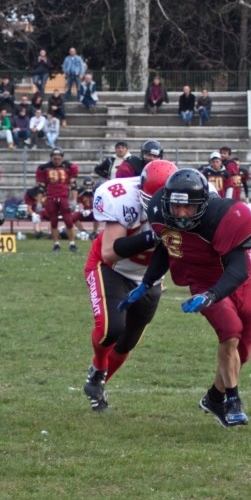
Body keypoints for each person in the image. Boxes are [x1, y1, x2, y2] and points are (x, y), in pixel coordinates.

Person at [121, 168, 251, 427]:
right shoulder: (159, 211)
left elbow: (239, 268)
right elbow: (168, 247)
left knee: (244, 348)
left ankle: (214, 398)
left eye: (188, 207)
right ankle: (233, 401)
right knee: (231, 333)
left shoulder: (222, 216)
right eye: (176, 206)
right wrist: (147, 283)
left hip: (235, 282)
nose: (181, 213)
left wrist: (213, 295)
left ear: (203, 204)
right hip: (201, 281)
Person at [81, 160, 178, 411]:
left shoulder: (188, 202)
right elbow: (109, 252)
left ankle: (98, 384)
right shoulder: (123, 199)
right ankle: (98, 367)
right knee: (111, 330)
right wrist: (151, 237)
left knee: (128, 342)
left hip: (149, 277)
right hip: (111, 268)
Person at [36, 147, 79, 252]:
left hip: (64, 197)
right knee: (53, 221)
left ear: (62, 157)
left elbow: (73, 185)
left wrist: (74, 200)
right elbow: (41, 187)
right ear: (51, 157)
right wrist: (38, 202)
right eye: (54, 155)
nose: (56, 157)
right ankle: (56, 244)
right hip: (51, 198)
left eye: (58, 155)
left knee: (69, 221)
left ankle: (72, 244)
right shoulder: (44, 168)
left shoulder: (69, 167)